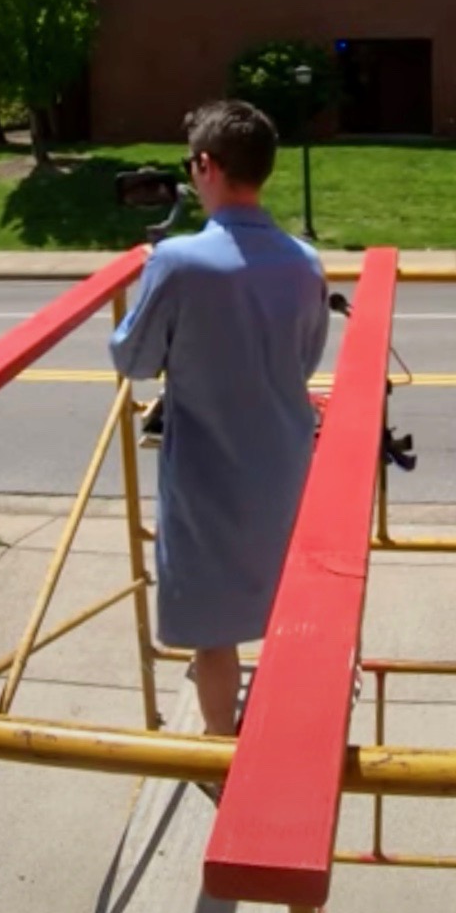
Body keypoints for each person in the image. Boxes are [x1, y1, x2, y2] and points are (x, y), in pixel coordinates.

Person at [109, 99, 330, 750]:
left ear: (204, 165)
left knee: (213, 633)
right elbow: (306, 357)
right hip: (286, 461)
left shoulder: (177, 262)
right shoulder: (304, 260)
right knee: (279, 595)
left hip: (206, 475)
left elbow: (135, 360)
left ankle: (219, 747)